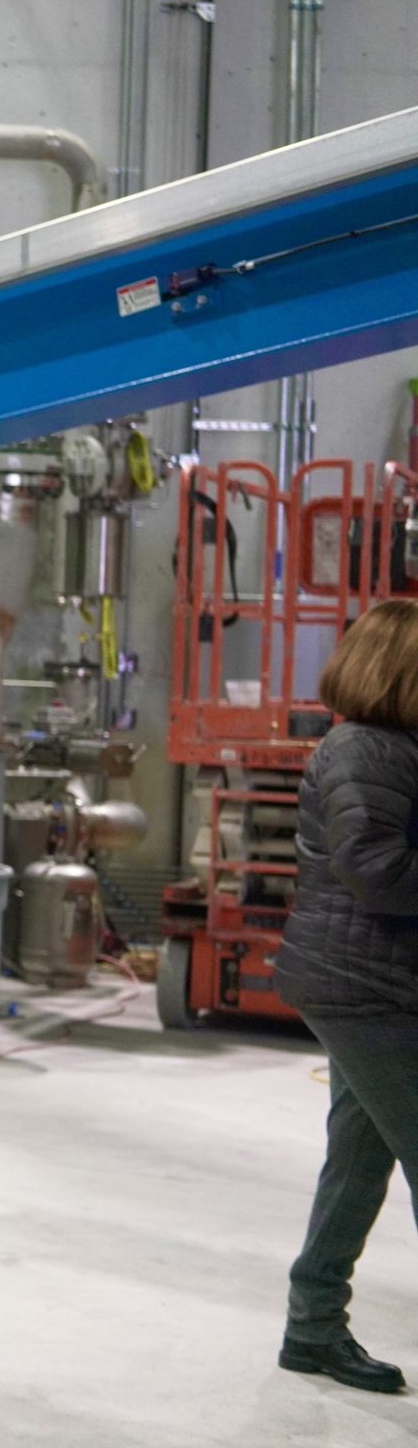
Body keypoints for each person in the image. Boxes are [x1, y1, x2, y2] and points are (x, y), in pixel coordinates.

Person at [276, 594, 418, 1395]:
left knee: (358, 1163)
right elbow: (376, 871)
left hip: (377, 980)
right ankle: (314, 1323)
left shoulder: (394, 746)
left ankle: (313, 1330)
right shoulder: (364, 749)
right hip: (363, 987)